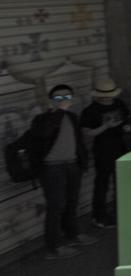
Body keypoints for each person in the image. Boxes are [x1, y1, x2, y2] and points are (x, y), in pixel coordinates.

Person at [28, 84, 98, 259]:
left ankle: (72, 235)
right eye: (58, 98)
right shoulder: (42, 119)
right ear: (51, 100)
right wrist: (58, 111)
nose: (63, 101)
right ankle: (53, 247)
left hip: (72, 164)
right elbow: (43, 134)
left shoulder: (73, 117)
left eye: (67, 97)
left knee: (72, 202)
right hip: (52, 167)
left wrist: (82, 162)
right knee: (56, 206)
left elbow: (78, 141)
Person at [79, 77, 131, 228]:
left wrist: (128, 127)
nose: (107, 99)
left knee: (121, 183)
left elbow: (129, 119)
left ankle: (120, 212)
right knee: (102, 183)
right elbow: (86, 133)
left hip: (122, 148)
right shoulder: (90, 111)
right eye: (104, 96)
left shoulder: (119, 104)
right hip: (103, 151)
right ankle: (99, 216)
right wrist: (105, 126)